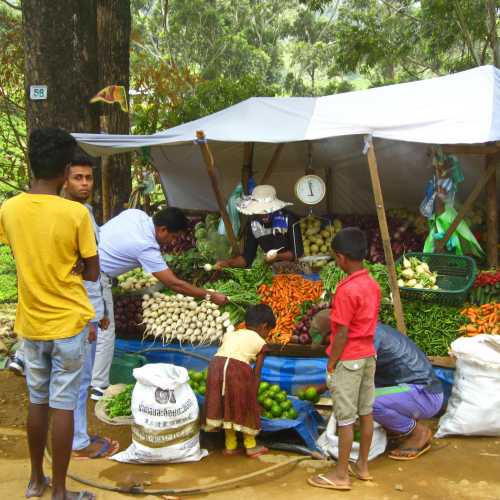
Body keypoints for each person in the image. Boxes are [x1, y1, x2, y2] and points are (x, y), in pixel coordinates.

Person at [0, 128, 98, 500]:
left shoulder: (9, 208)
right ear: (64, 171)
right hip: (69, 323)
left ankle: (34, 481)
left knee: (37, 402)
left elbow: (15, 246)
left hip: (31, 323)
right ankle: (59, 491)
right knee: (64, 405)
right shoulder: (75, 213)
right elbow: (92, 271)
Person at [91, 207, 229, 400]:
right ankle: (98, 386)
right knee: (106, 331)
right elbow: (173, 284)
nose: (173, 242)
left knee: (89, 325)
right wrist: (209, 295)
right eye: (173, 236)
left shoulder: (136, 214)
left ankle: (86, 372)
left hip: (87, 262)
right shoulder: (145, 246)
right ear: (162, 230)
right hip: (96, 276)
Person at [308, 227, 381, 492]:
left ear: (341, 257)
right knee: (366, 412)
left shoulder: (346, 289)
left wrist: (331, 364)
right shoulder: (372, 284)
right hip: (368, 355)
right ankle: (362, 466)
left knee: (345, 419)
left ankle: (341, 475)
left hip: (349, 359)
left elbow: (341, 335)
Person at [311, 318, 444, 461]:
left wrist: (320, 389)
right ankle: (399, 426)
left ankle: (418, 433)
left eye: (329, 341)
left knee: (364, 401)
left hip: (425, 394)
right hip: (411, 391)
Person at [63, 155, 119, 460]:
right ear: (64, 178)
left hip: (89, 310)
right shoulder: (69, 214)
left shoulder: (85, 211)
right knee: (77, 379)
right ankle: (77, 442)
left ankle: (77, 436)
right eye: (77, 178)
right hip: (76, 312)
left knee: (80, 379)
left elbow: (92, 268)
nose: (84, 183)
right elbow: (82, 271)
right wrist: (90, 315)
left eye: (88, 177)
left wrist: (103, 313)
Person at [202, 304, 275, 458]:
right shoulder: (261, 342)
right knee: (245, 406)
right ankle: (250, 446)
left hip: (215, 365)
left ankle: (230, 446)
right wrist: (252, 397)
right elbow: (257, 373)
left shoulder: (231, 334)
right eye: (268, 331)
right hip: (237, 369)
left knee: (227, 404)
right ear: (264, 326)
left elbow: (225, 353)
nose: (267, 335)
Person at [216, 185, 302, 269]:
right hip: (273, 271)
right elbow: (247, 258)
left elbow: (297, 252)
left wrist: (276, 256)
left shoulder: (289, 218)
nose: (263, 214)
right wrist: (228, 263)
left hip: (294, 270)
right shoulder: (253, 224)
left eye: (267, 210)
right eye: (260, 210)